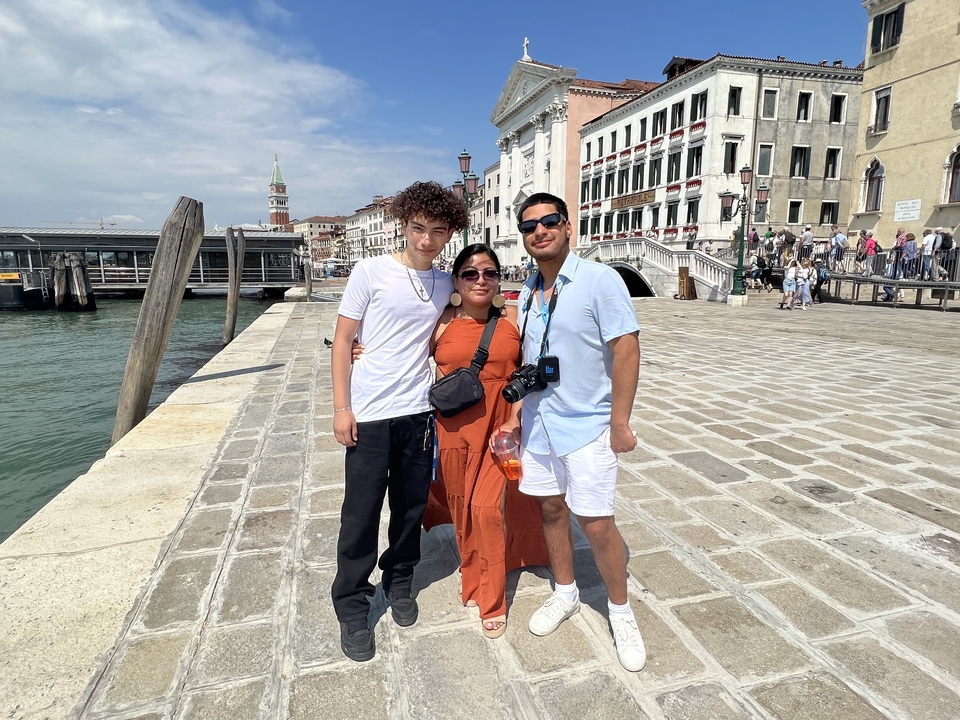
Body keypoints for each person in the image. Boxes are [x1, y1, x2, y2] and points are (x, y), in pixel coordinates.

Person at [330, 181, 467, 662]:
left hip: (418, 413)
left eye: (437, 231)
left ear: (449, 233)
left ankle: (400, 580)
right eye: (418, 228)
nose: (426, 240)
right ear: (403, 225)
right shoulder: (370, 271)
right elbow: (344, 340)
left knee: (410, 508)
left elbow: (488, 305)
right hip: (368, 413)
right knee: (361, 512)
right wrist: (341, 407)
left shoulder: (448, 283)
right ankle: (351, 601)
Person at [513, 192, 646, 672]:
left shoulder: (599, 280)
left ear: (568, 227)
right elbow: (527, 363)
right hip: (540, 424)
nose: (539, 231)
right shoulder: (527, 291)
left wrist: (620, 422)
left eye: (549, 221)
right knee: (550, 510)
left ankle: (621, 611)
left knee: (595, 522)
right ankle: (565, 592)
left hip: (588, 424)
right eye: (530, 226)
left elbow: (626, 350)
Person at [421, 244, 549, 639]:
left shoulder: (511, 318)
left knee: (487, 510)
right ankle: (474, 572)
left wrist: (513, 419)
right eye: (470, 274)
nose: (480, 280)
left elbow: (530, 369)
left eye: (489, 273)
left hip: (500, 430)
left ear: (498, 280)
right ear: (456, 281)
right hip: (455, 433)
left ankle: (492, 600)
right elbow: (402, 358)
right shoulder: (441, 322)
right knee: (463, 511)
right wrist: (360, 350)